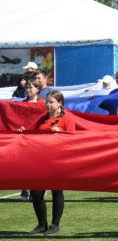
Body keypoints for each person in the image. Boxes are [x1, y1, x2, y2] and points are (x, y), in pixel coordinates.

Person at [17, 91, 76, 235]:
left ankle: (55, 225)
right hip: (41, 161)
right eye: (46, 102)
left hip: (58, 161)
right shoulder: (42, 119)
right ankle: (41, 225)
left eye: (51, 102)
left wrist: (61, 133)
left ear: (60, 103)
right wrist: (23, 132)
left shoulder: (67, 119)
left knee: (56, 191)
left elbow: (74, 140)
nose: (47, 105)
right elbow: (34, 135)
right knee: (36, 194)